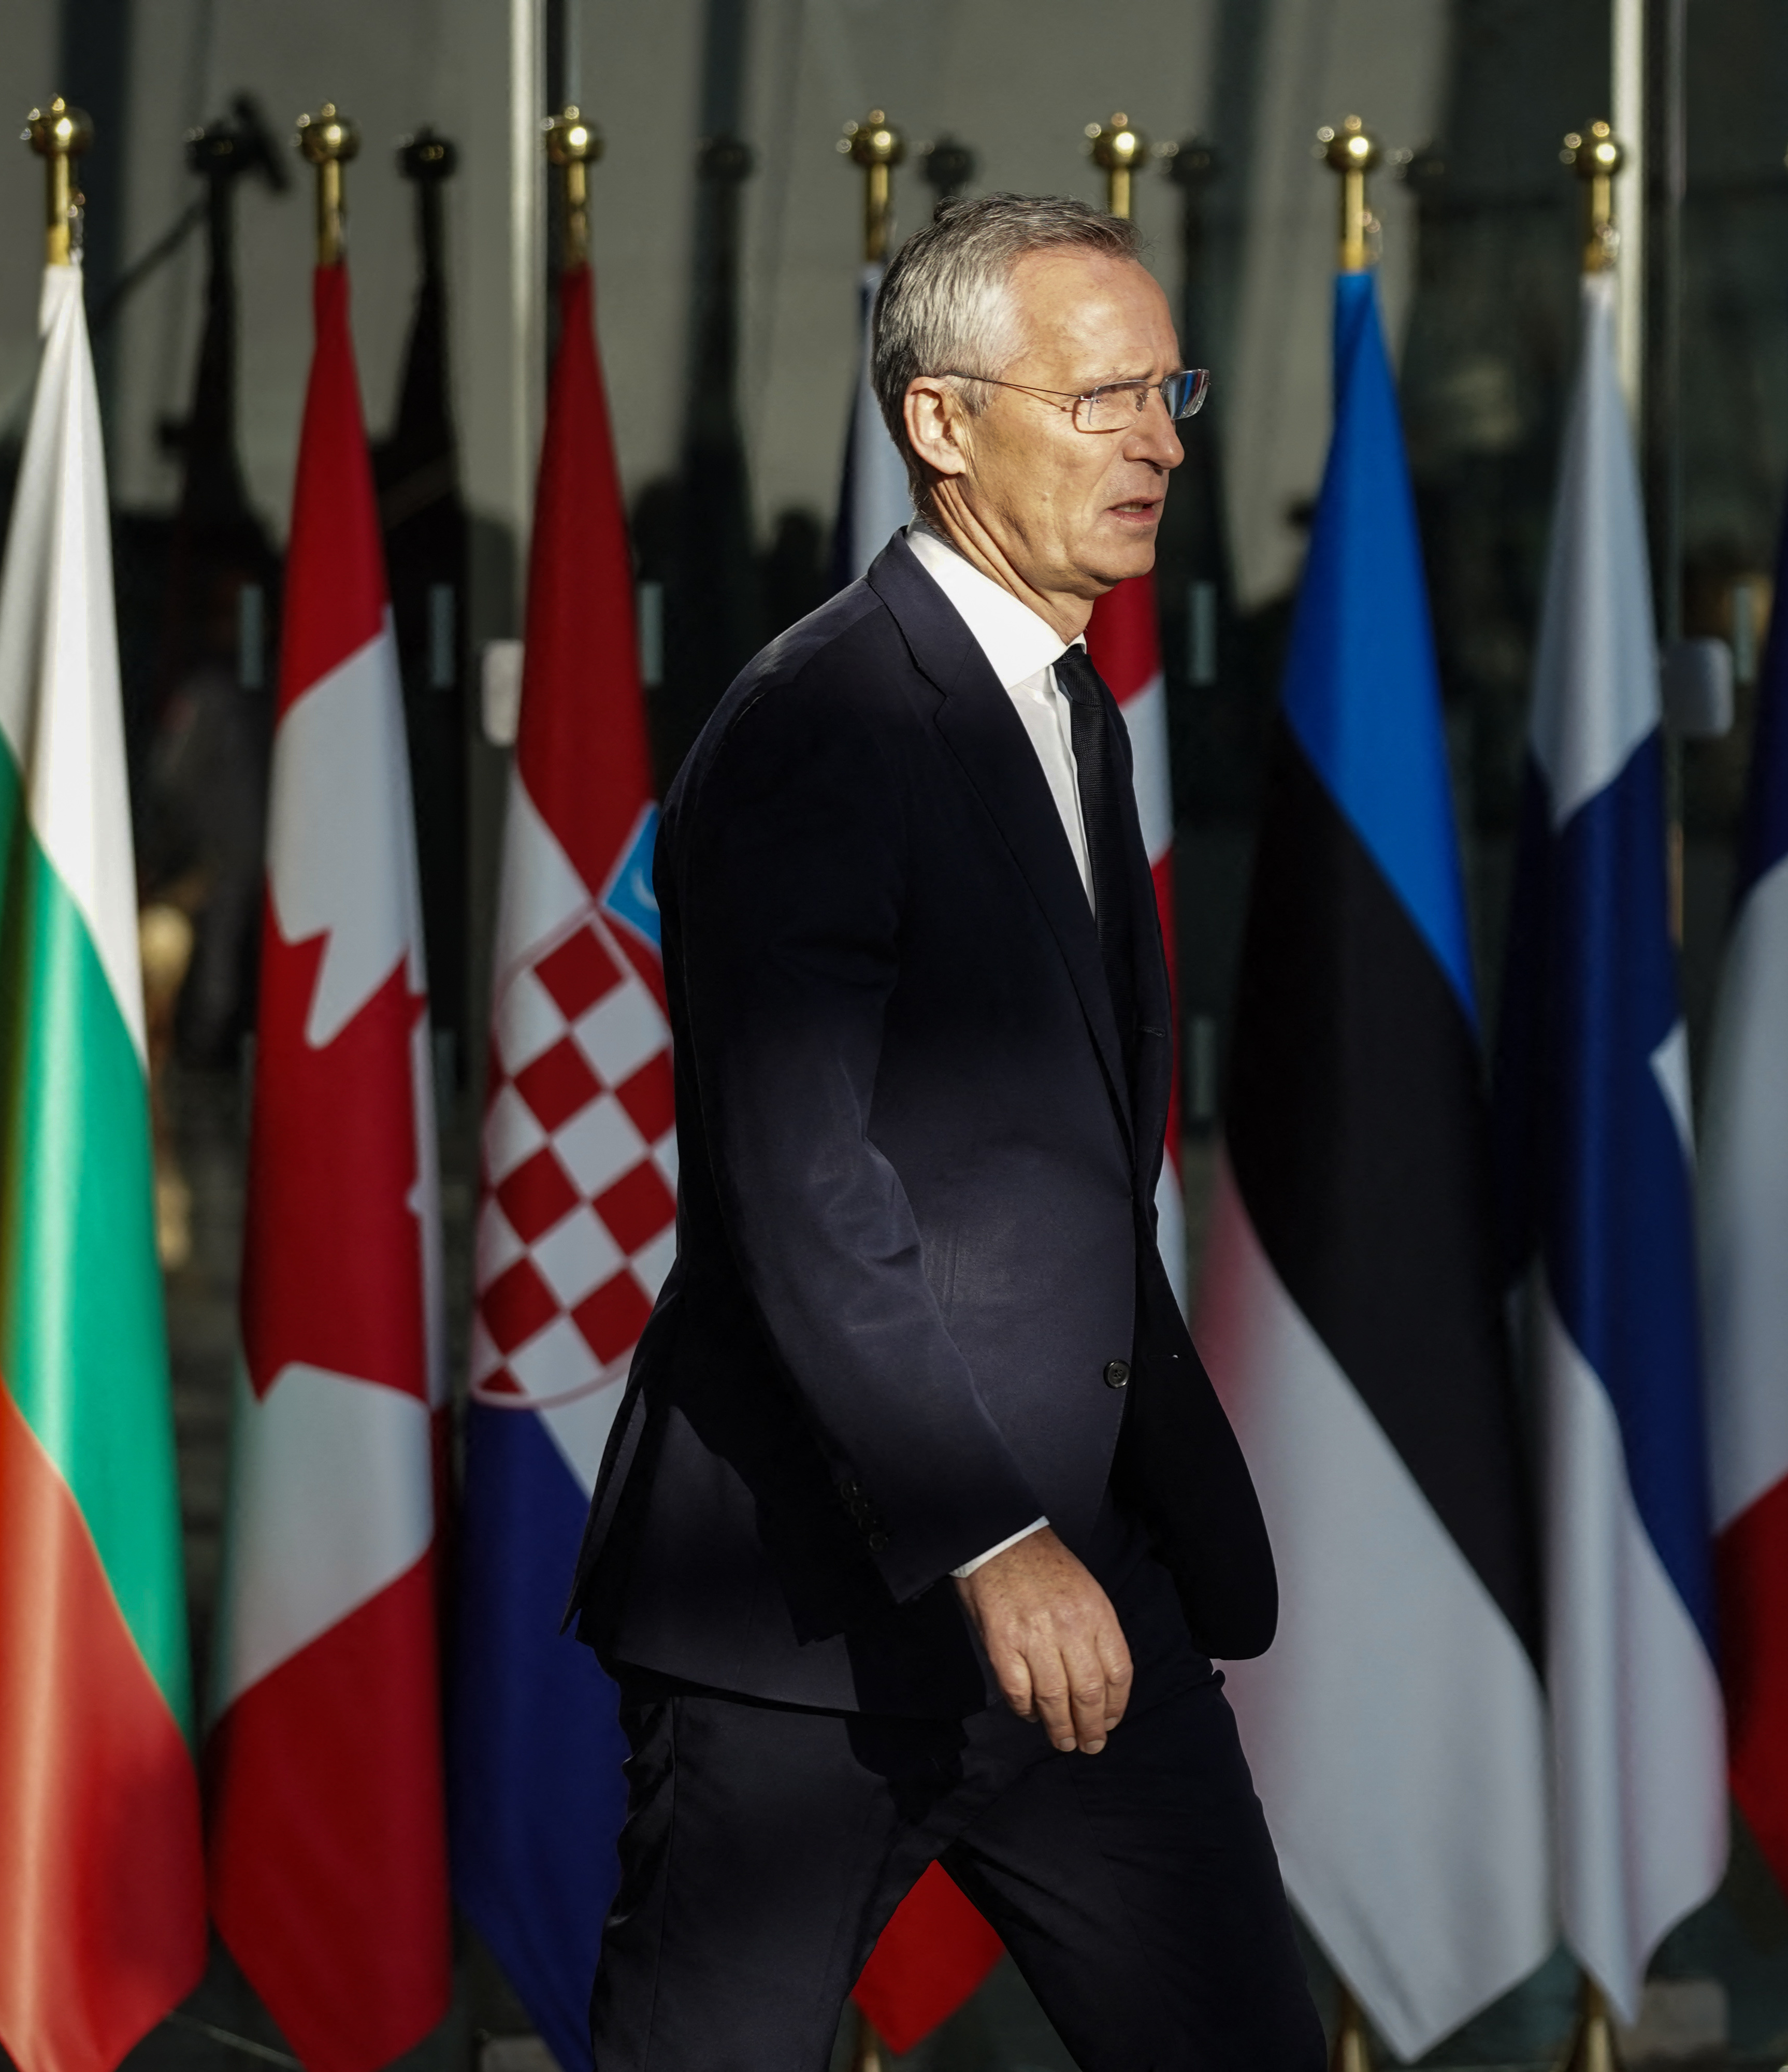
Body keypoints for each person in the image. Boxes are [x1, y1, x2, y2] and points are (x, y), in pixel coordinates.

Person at [570, 193, 1324, 2070]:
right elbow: (800, 1182)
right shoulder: (824, 721)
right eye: (1102, 401)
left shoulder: (1068, 705)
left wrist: (1070, 1528)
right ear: (940, 421)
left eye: (1172, 393)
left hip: (1084, 1589)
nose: (1160, 441)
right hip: (810, 1618)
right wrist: (986, 1537)